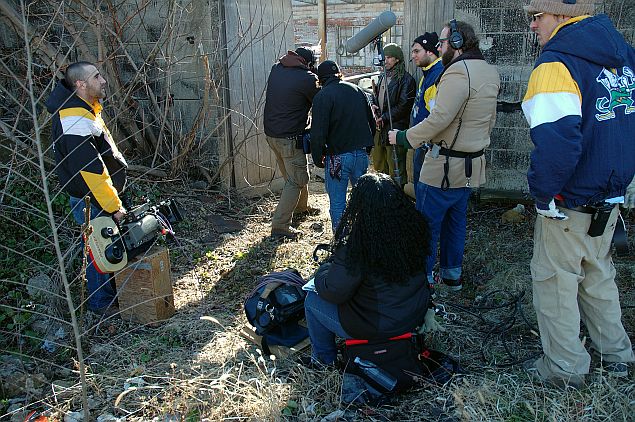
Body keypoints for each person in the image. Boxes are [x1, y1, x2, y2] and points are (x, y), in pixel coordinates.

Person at [520, 0, 635, 388]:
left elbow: (557, 144)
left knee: (555, 283)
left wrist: (543, 195)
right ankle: (616, 354)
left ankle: (565, 369)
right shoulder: (624, 55)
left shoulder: (556, 64)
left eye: (538, 16)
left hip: (569, 201)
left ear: (562, 16)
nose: (532, 25)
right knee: (598, 276)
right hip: (611, 197)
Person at [389, 21, 500, 292]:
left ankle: (422, 281)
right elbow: (490, 121)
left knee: (426, 226)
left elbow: (440, 118)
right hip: (470, 166)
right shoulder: (489, 72)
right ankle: (452, 277)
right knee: (456, 224)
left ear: (459, 43)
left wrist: (404, 137)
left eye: (443, 42)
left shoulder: (457, 72)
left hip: (442, 167)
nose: (439, 47)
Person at [304, 173, 432, 365]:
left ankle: (323, 361)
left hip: (377, 326)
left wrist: (323, 269)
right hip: (413, 315)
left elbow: (334, 291)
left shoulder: (358, 245)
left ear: (359, 207)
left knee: (312, 301)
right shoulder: (416, 230)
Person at [45, 61, 127, 315]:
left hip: (97, 197)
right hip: (91, 200)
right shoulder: (74, 117)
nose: (103, 80)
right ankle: (101, 306)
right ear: (80, 84)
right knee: (98, 253)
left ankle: (108, 300)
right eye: (96, 76)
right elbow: (91, 170)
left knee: (100, 250)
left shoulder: (84, 108)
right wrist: (113, 205)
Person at [310, 60, 375, 232]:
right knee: (363, 201)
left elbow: (317, 134)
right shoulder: (358, 90)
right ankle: (365, 238)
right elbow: (372, 123)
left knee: (338, 204)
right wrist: (367, 148)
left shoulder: (322, 96)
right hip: (361, 154)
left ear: (320, 79)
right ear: (339, 73)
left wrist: (318, 158)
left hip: (337, 158)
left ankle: (341, 245)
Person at [263, 47, 320, 240]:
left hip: (272, 135)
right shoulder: (307, 78)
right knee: (296, 180)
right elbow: (318, 100)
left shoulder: (276, 69)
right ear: (308, 63)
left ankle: (301, 208)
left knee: (292, 174)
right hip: (289, 138)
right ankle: (280, 225)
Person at [371, 43, 416, 186]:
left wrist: (383, 118)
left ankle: (397, 201)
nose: (386, 60)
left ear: (397, 59)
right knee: (379, 165)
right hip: (380, 128)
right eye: (385, 57)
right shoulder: (383, 76)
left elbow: (404, 106)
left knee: (396, 169)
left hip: (395, 128)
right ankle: (383, 199)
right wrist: (374, 106)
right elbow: (379, 98)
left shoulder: (406, 80)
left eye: (389, 57)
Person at [410, 32, 444, 193]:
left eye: (417, 51)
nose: (413, 56)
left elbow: (436, 117)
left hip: (429, 146)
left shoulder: (437, 75)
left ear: (430, 51)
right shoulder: (427, 74)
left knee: (426, 193)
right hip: (422, 143)